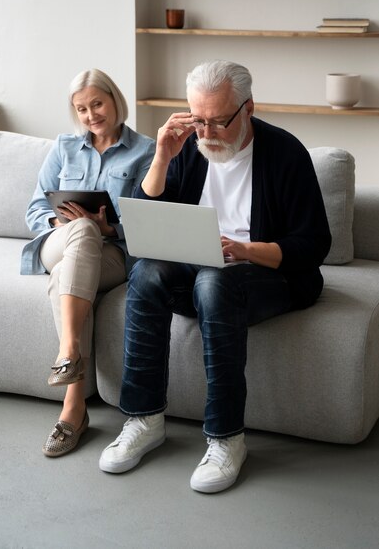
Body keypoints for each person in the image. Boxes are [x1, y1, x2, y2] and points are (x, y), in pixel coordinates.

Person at [98, 60, 331, 493]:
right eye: (198, 120)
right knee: (147, 272)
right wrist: (162, 157)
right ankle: (144, 419)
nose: (207, 134)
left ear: (248, 109)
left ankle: (226, 439)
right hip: (200, 267)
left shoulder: (285, 153)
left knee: (215, 281)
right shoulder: (188, 146)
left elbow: (315, 244)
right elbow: (141, 218)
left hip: (266, 273)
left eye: (219, 122)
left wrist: (244, 250)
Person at [21, 68, 155, 457]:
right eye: (82, 109)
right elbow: (33, 209)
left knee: (74, 263)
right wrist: (59, 220)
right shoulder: (63, 147)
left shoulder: (145, 151)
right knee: (80, 232)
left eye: (97, 103)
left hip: (111, 253)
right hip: (57, 242)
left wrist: (109, 227)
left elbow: (147, 220)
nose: (91, 114)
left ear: (115, 100)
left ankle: (73, 405)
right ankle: (70, 356)